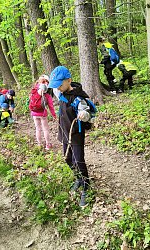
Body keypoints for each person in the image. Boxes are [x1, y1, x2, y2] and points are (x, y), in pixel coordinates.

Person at [48, 66, 91, 207]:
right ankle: (78, 178)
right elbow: (52, 89)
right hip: (64, 132)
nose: (58, 88)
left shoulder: (78, 98)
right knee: (67, 159)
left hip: (76, 134)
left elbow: (86, 112)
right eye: (57, 85)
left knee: (78, 160)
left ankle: (86, 186)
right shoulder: (61, 93)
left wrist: (84, 115)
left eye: (60, 84)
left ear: (69, 81)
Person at [29, 79, 57, 150]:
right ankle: (48, 144)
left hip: (34, 113)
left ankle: (39, 144)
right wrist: (54, 115)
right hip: (43, 114)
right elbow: (51, 107)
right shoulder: (47, 96)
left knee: (38, 129)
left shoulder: (33, 92)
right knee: (45, 129)